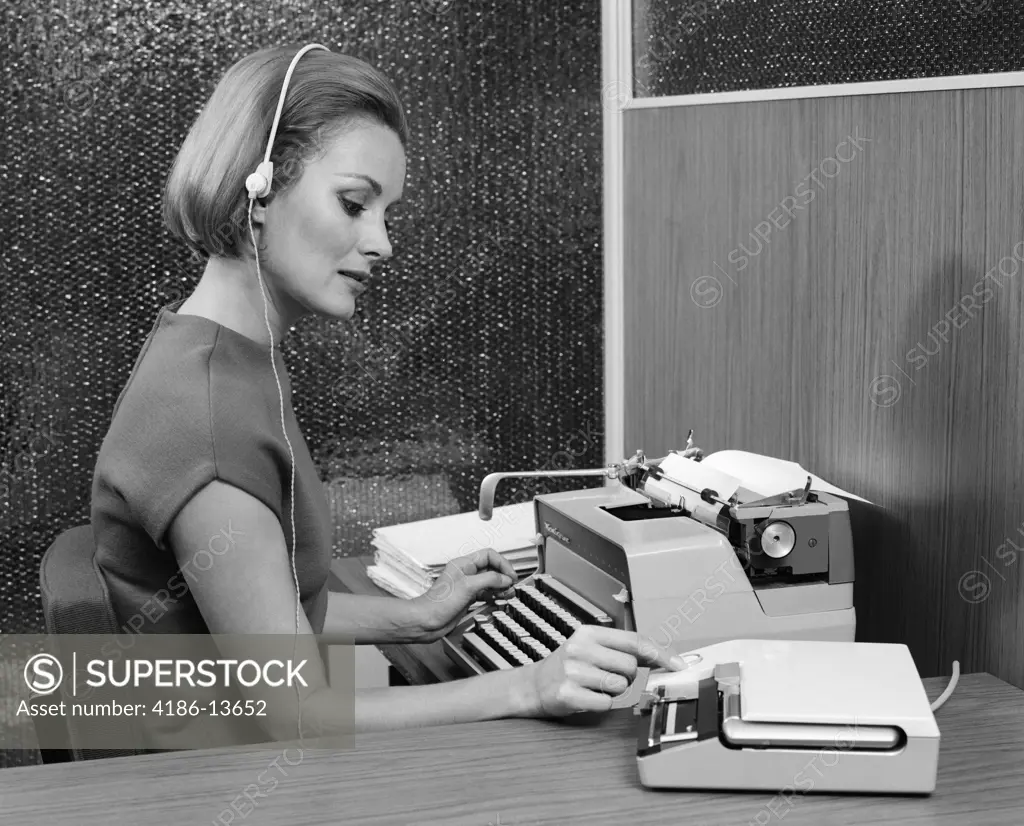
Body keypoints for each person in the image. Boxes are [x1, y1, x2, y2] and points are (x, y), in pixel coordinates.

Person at [90, 43, 693, 751]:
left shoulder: (213, 353)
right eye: (354, 203)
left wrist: (416, 618)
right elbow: (294, 713)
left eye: (387, 212)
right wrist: (527, 685)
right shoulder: (210, 415)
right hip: (203, 781)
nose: (381, 243)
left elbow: (256, 614)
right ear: (257, 190)